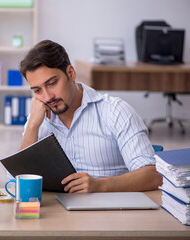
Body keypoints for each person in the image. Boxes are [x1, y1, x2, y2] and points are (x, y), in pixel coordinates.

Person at [19, 40, 162, 193]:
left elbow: (152, 176)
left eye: (52, 83)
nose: (47, 97)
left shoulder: (115, 111)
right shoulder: (37, 118)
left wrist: (101, 185)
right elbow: (16, 181)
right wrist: (33, 126)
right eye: (37, 90)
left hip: (111, 212)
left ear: (71, 73)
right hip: (56, 212)